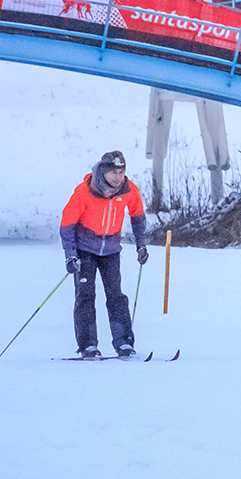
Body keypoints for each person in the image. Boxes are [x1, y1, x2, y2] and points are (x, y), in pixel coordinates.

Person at [59, 150, 150, 359]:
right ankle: (88, 345)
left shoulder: (128, 190)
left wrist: (141, 245)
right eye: (113, 172)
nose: (118, 177)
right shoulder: (85, 191)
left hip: (111, 251)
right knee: (85, 296)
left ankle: (124, 343)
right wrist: (70, 255)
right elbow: (67, 224)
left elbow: (137, 216)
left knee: (116, 296)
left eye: (121, 172)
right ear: (103, 171)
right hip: (84, 250)